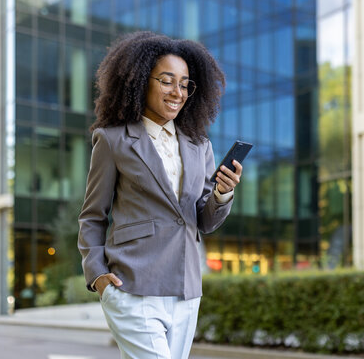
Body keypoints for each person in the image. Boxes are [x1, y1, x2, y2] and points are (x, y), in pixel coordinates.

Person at [77, 31, 242, 359]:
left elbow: (204, 221)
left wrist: (223, 193)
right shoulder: (113, 141)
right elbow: (93, 215)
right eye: (167, 81)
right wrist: (98, 276)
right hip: (132, 286)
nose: (177, 92)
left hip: (186, 290)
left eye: (184, 84)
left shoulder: (200, 146)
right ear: (140, 82)